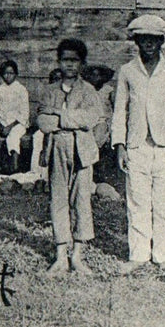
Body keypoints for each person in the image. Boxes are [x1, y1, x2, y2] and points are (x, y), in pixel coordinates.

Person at [111, 14, 165, 273]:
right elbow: (120, 111)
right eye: (142, 39)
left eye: (153, 39)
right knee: (138, 200)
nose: (148, 43)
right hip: (137, 145)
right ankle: (138, 254)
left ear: (161, 41)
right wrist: (120, 145)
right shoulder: (127, 71)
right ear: (136, 41)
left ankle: (163, 254)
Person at [38, 40, 104, 275]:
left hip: (82, 151)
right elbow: (43, 123)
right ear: (59, 62)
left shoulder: (88, 91)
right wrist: (67, 118)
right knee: (58, 199)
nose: (69, 65)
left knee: (81, 200)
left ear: (82, 63)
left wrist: (60, 115)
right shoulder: (50, 90)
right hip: (56, 148)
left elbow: (90, 118)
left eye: (74, 60)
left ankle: (77, 255)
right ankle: (60, 256)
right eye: (65, 60)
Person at [29, 68, 62, 183]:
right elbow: (42, 112)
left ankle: (50, 176)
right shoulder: (47, 94)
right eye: (53, 80)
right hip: (47, 127)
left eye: (58, 80)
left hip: (62, 127)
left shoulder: (67, 94)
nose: (55, 83)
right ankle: (37, 172)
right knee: (38, 137)